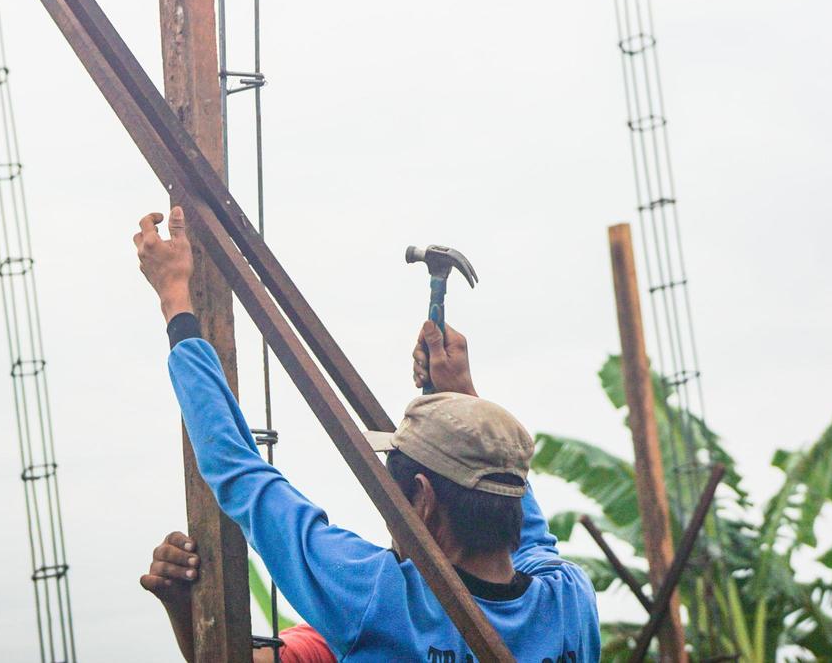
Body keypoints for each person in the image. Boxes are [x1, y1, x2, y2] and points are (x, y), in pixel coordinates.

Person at [133, 207, 599, 663]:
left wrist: (177, 303)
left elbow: (238, 470)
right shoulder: (570, 603)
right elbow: (530, 534)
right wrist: (463, 398)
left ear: (422, 497)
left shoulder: (380, 601)